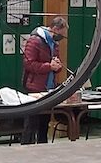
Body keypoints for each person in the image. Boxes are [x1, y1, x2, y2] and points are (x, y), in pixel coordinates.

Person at [20, 16, 67, 144]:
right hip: (34, 87)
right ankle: (26, 147)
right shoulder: (35, 41)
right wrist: (49, 66)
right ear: (55, 29)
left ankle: (43, 147)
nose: (62, 37)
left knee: (44, 123)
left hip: (48, 88)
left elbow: (55, 63)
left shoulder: (54, 43)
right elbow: (28, 64)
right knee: (31, 123)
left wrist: (57, 66)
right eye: (62, 33)